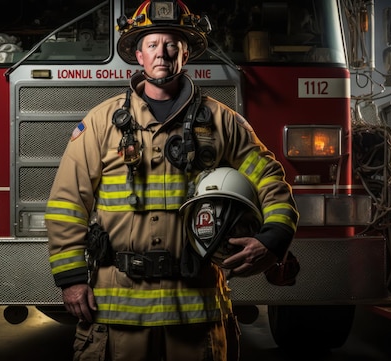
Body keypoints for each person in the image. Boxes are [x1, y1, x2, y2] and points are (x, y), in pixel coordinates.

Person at [45, 0, 299, 360]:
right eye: (151, 45)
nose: (161, 53)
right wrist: (71, 280)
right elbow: (67, 202)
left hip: (195, 314)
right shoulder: (100, 122)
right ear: (138, 54)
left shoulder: (222, 122)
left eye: (171, 45)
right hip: (119, 317)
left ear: (185, 54)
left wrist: (273, 238)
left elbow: (269, 180)